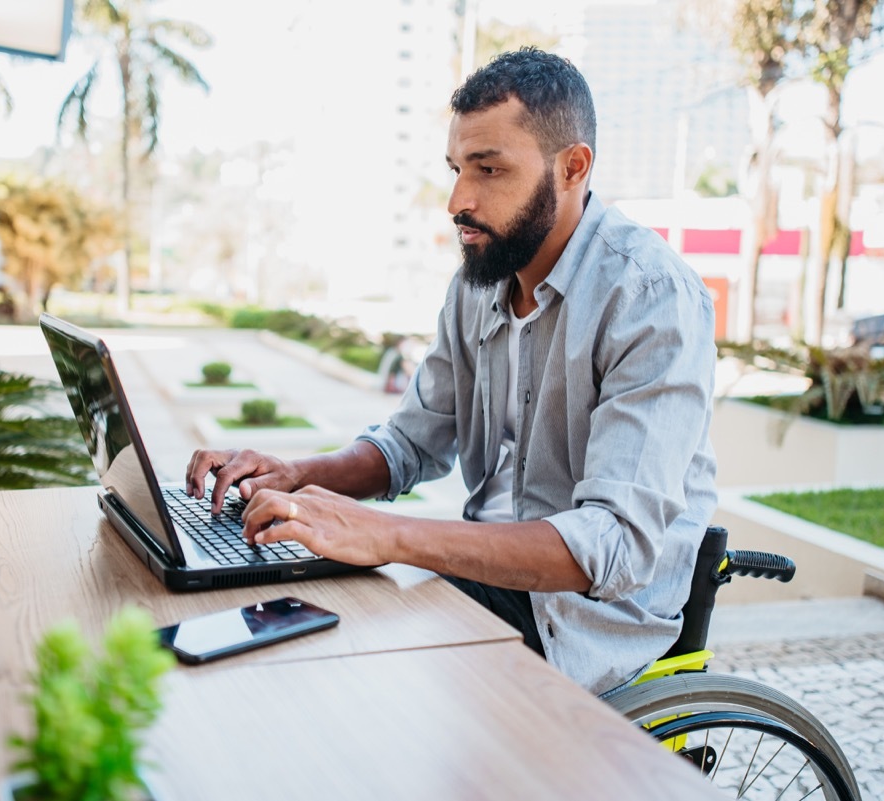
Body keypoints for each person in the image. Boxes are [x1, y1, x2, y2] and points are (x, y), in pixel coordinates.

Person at [185, 47, 717, 696]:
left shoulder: (651, 297)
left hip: (584, 622)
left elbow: (612, 545)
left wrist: (387, 534)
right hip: (481, 581)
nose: (457, 200)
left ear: (573, 167)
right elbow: (411, 443)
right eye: (457, 168)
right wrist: (299, 475)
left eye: (489, 170)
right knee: (270, 602)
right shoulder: (478, 284)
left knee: (334, 668)